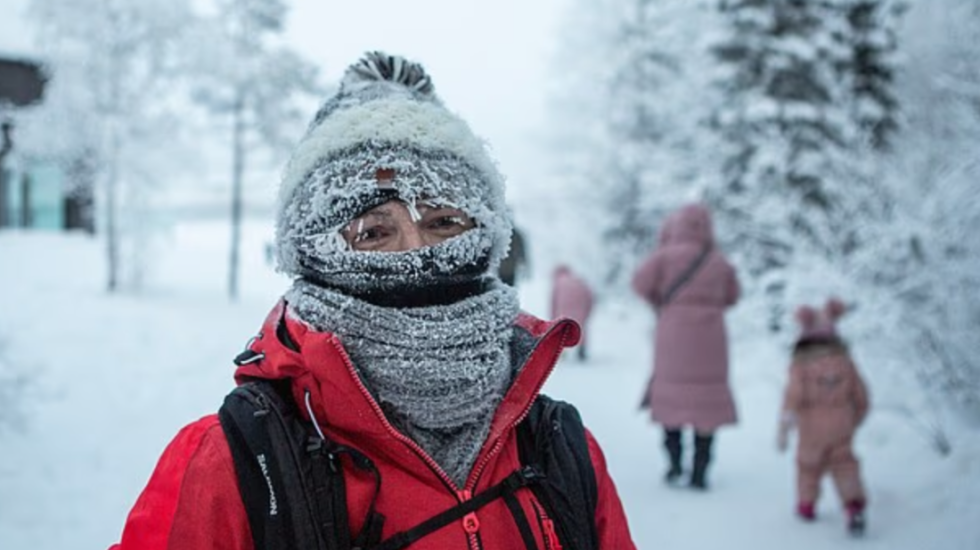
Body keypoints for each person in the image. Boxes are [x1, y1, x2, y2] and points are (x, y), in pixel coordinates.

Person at [108, 52, 635, 550]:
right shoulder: (235, 462)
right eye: (373, 233)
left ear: (488, 238)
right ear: (312, 252)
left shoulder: (562, 450)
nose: (416, 254)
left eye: (444, 223)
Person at [632, 203, 739, 490]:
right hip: (712, 338)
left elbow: (639, 283)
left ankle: (675, 464)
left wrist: (661, 299)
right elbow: (733, 295)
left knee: (671, 398)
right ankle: (700, 471)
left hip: (673, 331)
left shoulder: (664, 256)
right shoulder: (718, 260)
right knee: (708, 403)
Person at [777, 297, 870, 536]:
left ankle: (806, 506)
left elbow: (794, 395)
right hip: (842, 423)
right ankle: (853, 505)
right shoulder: (845, 362)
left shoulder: (801, 365)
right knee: (845, 464)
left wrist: (785, 425)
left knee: (808, 466)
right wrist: (855, 418)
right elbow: (861, 395)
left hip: (810, 427)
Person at [550, 265, 594, 360]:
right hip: (580, 305)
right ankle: (582, 350)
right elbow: (589, 296)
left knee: (562, 327)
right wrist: (588, 310)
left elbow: (554, 301)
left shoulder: (558, 282)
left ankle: (561, 350)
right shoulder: (579, 280)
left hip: (563, 307)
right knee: (581, 326)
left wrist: (552, 317)